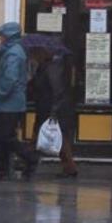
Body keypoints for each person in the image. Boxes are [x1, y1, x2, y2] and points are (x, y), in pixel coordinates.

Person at [0, 22, 37, 180]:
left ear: (8, 36)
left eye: (1, 35)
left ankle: (30, 157)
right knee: (2, 136)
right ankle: (2, 168)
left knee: (6, 136)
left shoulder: (13, 53)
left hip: (9, 102)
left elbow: (10, 78)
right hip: (10, 102)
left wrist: (0, 94)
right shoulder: (11, 50)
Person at [30, 47, 78, 178]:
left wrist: (54, 111)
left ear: (42, 53)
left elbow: (56, 90)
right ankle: (30, 162)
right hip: (47, 107)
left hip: (51, 108)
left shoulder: (51, 68)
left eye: (34, 53)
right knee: (49, 136)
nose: (32, 56)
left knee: (59, 138)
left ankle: (69, 167)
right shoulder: (46, 67)